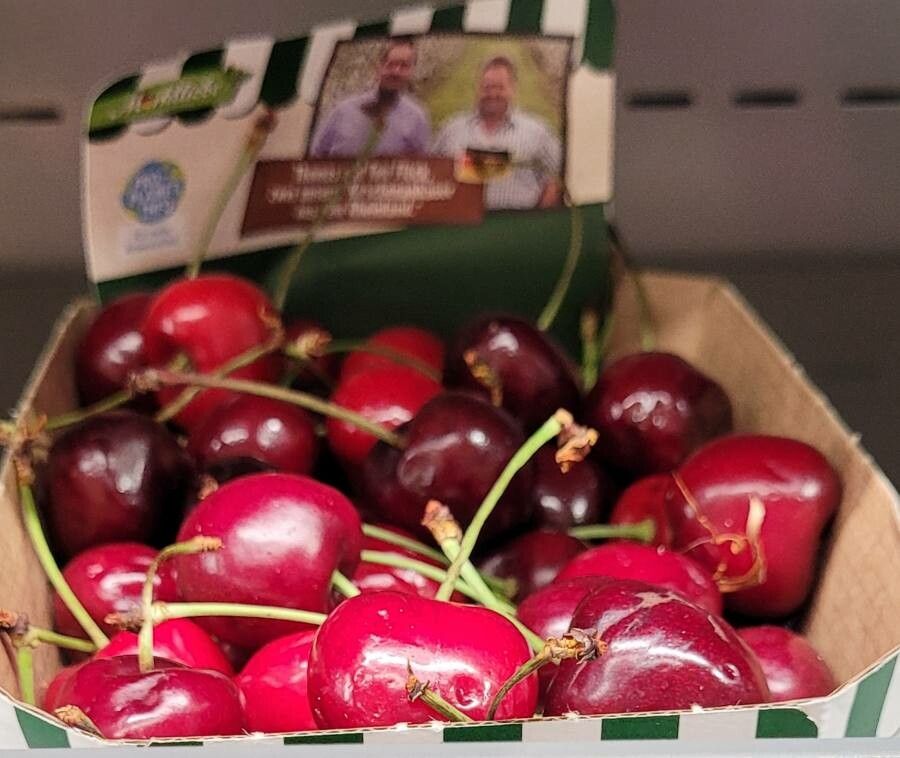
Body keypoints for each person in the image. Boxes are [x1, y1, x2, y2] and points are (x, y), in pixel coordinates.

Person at [431, 55, 562, 210]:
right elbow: (429, 174)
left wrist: (537, 219)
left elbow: (559, 177)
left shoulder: (538, 132)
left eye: (500, 87)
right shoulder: (451, 130)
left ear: (512, 89)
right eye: (487, 87)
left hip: (515, 227)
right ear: (477, 88)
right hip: (462, 228)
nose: (492, 94)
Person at [310, 37, 431, 158]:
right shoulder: (343, 111)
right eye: (391, 64)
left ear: (411, 71)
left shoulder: (416, 118)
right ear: (379, 67)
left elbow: (423, 169)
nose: (396, 71)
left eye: (404, 66)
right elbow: (314, 158)